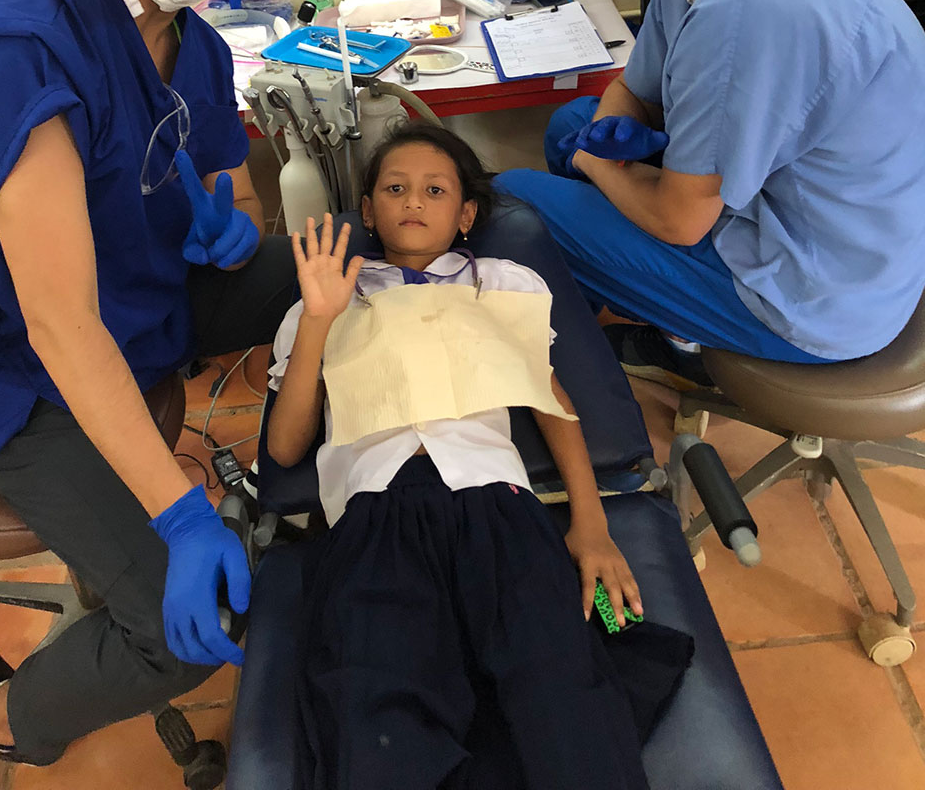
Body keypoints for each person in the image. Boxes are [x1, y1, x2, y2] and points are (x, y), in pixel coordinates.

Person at [0, 0, 300, 766]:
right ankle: (2, 716)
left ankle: (335, 484)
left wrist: (230, 223)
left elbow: (224, 180)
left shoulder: (191, 40)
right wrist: (182, 512)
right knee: (176, 630)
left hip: (140, 302)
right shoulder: (24, 48)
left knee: (341, 272)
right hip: (14, 371)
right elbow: (60, 325)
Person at [267, 123, 692, 790]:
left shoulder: (501, 284)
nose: (413, 200)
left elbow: (551, 402)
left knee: (561, 696)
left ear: (466, 216)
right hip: (373, 519)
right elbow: (285, 446)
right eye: (395, 189)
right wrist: (319, 320)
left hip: (499, 510)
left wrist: (591, 524)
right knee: (373, 717)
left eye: (435, 190)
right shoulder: (324, 298)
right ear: (369, 211)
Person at [497, 0, 925, 377]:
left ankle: (611, 359)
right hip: (823, 224)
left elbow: (680, 220)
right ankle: (626, 304)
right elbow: (633, 90)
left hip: (822, 298)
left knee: (515, 199)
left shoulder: (747, 9)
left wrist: (596, 163)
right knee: (571, 123)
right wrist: (596, 144)